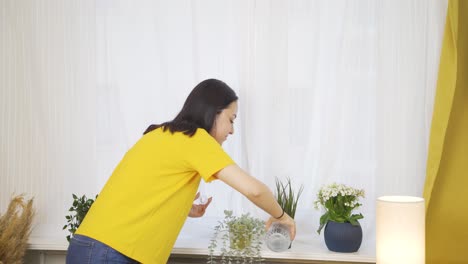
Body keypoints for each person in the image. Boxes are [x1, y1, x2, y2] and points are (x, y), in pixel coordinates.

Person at [66, 79, 296, 264]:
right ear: (213, 113)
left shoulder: (158, 134)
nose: (232, 130)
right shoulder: (196, 138)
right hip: (114, 253)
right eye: (231, 119)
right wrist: (282, 217)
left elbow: (138, 189)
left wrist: (183, 207)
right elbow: (254, 190)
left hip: (89, 245)